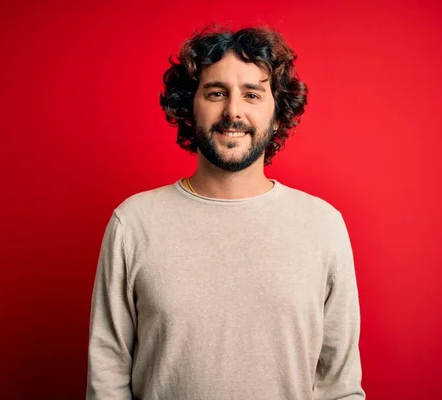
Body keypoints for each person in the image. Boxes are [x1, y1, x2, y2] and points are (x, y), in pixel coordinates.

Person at [86, 25, 365, 400]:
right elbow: (107, 378)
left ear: (278, 115)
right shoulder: (133, 224)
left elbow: (340, 387)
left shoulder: (323, 226)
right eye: (216, 93)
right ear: (189, 108)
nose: (233, 111)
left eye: (252, 94)